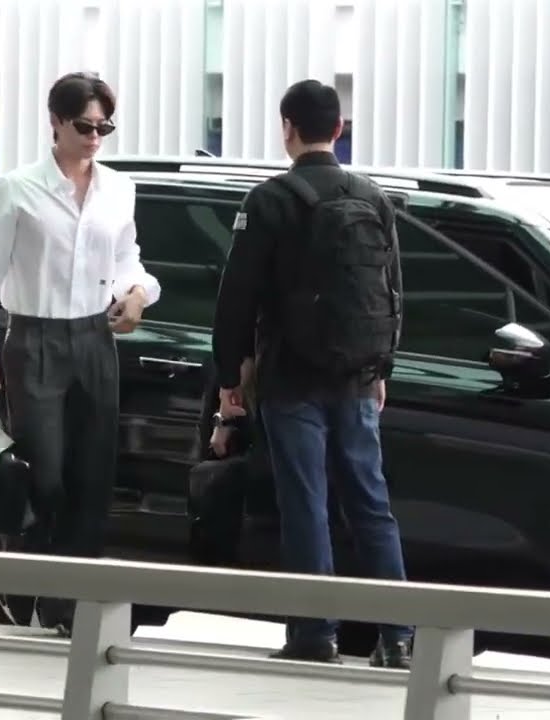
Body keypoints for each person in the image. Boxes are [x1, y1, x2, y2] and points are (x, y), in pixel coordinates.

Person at [211, 79, 411, 668]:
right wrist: (381, 367)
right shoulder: (373, 197)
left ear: (287, 129)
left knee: (307, 503)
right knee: (371, 504)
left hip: (291, 377)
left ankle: (314, 635)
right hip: (356, 377)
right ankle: (398, 638)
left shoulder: (270, 200)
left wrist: (230, 376)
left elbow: (236, 297)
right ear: (339, 131)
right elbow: (394, 291)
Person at [0, 72, 160, 636]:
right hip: (33, 340)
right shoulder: (17, 188)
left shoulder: (119, 189)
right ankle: (31, 579)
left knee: (94, 473)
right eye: (85, 125)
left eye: (104, 127)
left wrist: (139, 292)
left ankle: (71, 601)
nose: (95, 136)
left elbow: (128, 261)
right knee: (45, 472)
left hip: (94, 339)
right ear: (56, 122)